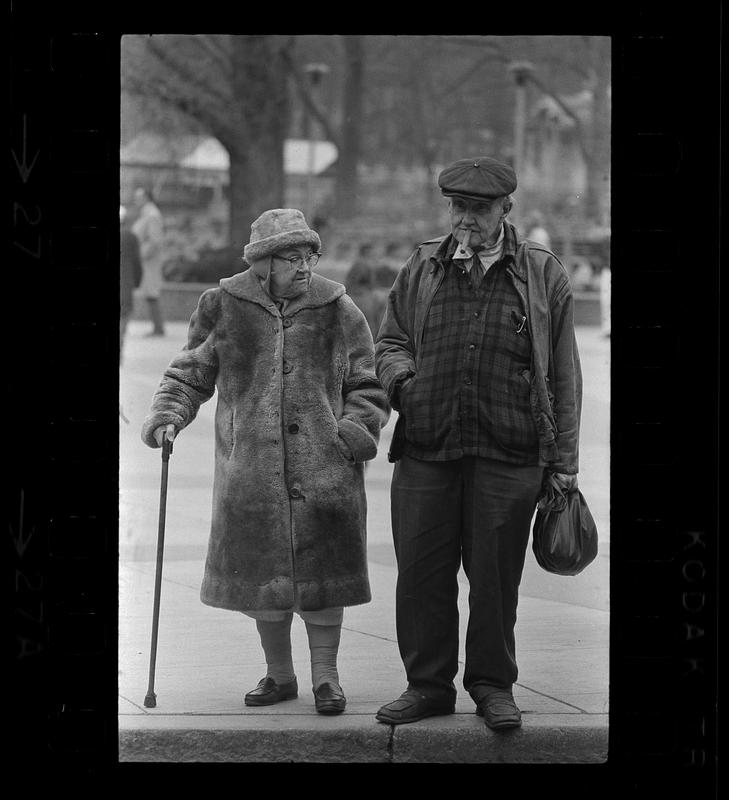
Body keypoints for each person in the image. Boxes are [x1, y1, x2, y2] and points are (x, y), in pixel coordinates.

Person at [141, 208, 389, 714]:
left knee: (323, 582)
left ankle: (327, 679)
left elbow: (368, 383)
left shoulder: (338, 308)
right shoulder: (222, 306)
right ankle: (280, 676)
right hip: (249, 471)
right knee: (263, 584)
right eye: (292, 258)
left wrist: (353, 432)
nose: (304, 267)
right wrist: (169, 415)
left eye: (309, 256)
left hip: (325, 470)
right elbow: (190, 374)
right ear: (262, 264)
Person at [374, 157, 582, 730]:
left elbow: (564, 373)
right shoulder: (422, 264)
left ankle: (492, 685)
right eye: (458, 207)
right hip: (426, 445)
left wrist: (563, 463)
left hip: (510, 450)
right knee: (420, 574)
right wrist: (405, 385)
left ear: (506, 210)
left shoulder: (542, 273)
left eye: (480, 208)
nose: (467, 218)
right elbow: (388, 341)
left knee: (494, 580)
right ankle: (427, 686)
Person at [131, 185, 166, 336]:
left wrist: (140, 256)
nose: (136, 200)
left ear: (146, 198)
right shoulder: (147, 214)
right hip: (145, 260)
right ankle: (157, 327)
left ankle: (158, 328)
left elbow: (155, 241)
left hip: (149, 261)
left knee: (152, 292)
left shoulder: (152, 215)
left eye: (138, 197)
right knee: (150, 293)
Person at [119, 205, 142, 365]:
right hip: (125, 286)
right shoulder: (131, 236)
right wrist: (137, 281)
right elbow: (137, 263)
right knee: (123, 319)